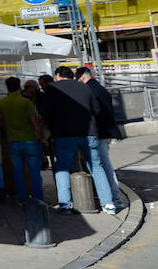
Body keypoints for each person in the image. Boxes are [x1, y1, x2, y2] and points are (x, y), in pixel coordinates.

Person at [44, 66, 116, 214]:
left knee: (63, 168)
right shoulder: (85, 87)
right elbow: (96, 109)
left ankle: (65, 204)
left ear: (57, 75)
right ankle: (108, 204)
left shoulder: (52, 89)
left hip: (64, 135)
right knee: (96, 167)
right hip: (89, 133)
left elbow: (46, 112)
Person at [78, 67, 122, 208]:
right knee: (103, 164)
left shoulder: (89, 90)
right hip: (107, 131)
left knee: (103, 166)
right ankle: (114, 197)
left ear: (81, 78)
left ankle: (115, 198)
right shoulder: (100, 88)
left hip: (99, 133)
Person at [0, 76, 45, 204]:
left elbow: (1, 122)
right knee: (34, 171)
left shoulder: (2, 103)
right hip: (30, 140)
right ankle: (38, 199)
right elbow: (34, 121)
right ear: (19, 87)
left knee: (18, 172)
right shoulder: (26, 102)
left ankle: (22, 199)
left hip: (12, 140)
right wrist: (41, 136)